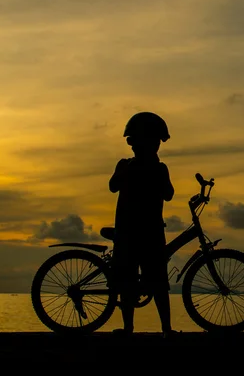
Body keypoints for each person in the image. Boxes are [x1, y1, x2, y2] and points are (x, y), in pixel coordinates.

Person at [108, 111, 175, 338]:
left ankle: (138, 329)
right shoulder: (147, 167)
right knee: (154, 283)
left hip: (138, 233)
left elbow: (167, 194)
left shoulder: (152, 168)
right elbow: (169, 194)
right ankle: (162, 329)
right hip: (142, 233)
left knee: (144, 282)